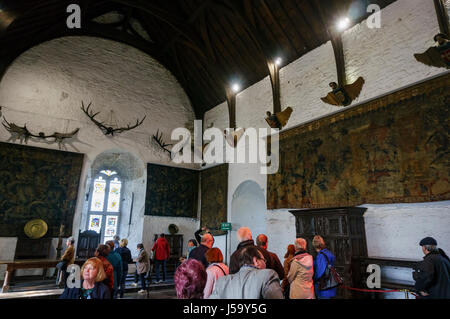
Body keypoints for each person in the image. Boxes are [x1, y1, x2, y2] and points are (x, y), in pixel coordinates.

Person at [209, 245, 283, 299]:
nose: (265, 263)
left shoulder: (223, 281)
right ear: (256, 261)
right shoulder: (268, 275)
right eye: (264, 260)